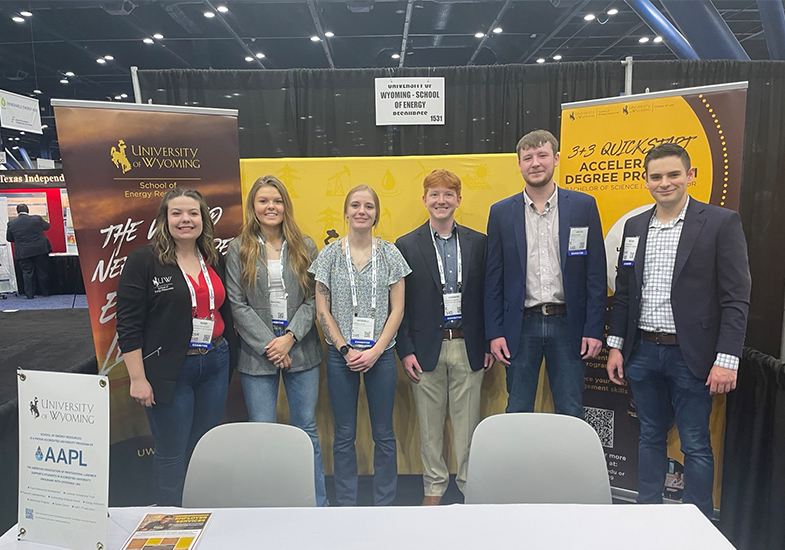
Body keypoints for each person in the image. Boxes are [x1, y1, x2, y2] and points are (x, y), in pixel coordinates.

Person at [606, 143, 750, 517]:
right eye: (656, 176)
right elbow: (624, 293)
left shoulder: (720, 222)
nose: (664, 182)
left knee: (696, 444)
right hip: (642, 354)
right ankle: (648, 516)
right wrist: (617, 347)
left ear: (690, 175)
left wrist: (727, 359)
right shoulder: (635, 227)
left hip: (694, 357)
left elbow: (736, 298)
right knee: (650, 436)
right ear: (646, 180)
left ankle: (696, 524)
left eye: (673, 174)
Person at [116, 188, 237, 506]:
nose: (186, 220)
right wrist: (138, 379)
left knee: (204, 447)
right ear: (164, 219)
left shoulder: (213, 257)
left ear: (203, 218)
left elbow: (222, 309)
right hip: (170, 370)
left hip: (215, 361)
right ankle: (170, 521)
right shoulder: (144, 260)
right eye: (177, 213)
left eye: (193, 213)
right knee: (172, 452)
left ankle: (204, 513)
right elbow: (128, 325)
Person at [485, 129, 606, 418]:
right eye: (528, 158)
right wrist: (495, 332)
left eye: (542, 155)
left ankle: (567, 466)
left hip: (569, 325)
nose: (535, 163)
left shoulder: (583, 206)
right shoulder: (501, 212)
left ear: (556, 158)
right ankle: (518, 465)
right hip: (520, 326)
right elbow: (493, 279)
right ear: (519, 164)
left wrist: (593, 329)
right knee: (518, 408)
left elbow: (596, 275)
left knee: (570, 408)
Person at [225, 175, 327, 506]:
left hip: (302, 350)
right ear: (253, 206)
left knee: (305, 430)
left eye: (277, 201)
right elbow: (236, 304)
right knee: (262, 432)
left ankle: (316, 503)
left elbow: (315, 299)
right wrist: (272, 344)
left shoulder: (306, 246)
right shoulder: (237, 248)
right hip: (258, 355)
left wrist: (290, 338)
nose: (271, 207)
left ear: (286, 206)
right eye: (264, 201)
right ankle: (265, 507)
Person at [395, 169, 493, 505]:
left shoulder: (479, 242)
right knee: (429, 427)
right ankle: (433, 489)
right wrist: (404, 349)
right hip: (424, 350)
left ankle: (468, 487)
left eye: (448, 194)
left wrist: (489, 341)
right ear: (424, 200)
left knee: (468, 426)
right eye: (434, 194)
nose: (441, 200)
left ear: (459, 200)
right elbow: (400, 305)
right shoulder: (406, 245)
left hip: (469, 345)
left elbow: (487, 295)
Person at [310, 184, 411, 506]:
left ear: (376, 213)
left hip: (381, 356)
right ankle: (346, 504)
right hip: (342, 357)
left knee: (383, 434)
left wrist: (377, 349)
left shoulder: (391, 254)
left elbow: (398, 308)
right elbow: (322, 308)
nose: (361, 211)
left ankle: (384, 503)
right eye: (355, 205)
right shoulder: (328, 256)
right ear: (346, 211)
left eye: (368, 206)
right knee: (343, 436)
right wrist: (345, 349)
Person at [6, 203, 52, 299]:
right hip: (40, 250)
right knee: (42, 271)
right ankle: (46, 293)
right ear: (28, 210)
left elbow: (9, 238)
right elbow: (47, 227)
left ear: (17, 212)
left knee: (27, 273)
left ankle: (30, 295)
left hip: (23, 252)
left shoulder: (11, 224)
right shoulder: (37, 219)